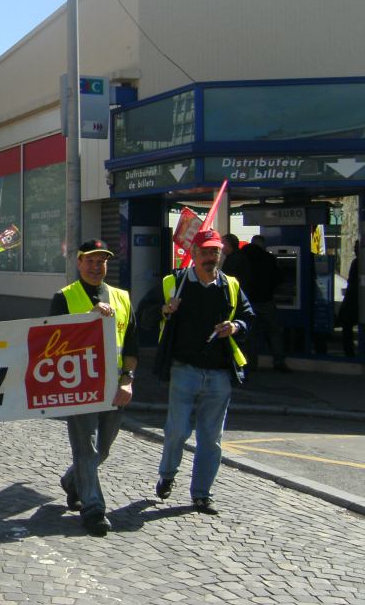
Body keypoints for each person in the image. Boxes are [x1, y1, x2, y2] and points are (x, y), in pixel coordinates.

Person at [138, 229, 254, 515]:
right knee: (177, 431)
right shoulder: (173, 283)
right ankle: (167, 474)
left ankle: (201, 494)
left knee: (211, 439)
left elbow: (249, 318)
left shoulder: (231, 285)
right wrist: (165, 309)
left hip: (218, 374)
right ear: (194, 254)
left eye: (215, 252)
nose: (210, 258)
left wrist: (235, 327)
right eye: (205, 252)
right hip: (183, 369)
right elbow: (144, 317)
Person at [48, 239, 137, 536]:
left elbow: (133, 346)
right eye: (91, 261)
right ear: (79, 262)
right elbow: (52, 345)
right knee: (86, 447)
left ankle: (72, 481)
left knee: (104, 449)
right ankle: (94, 508)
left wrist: (128, 380)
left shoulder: (122, 297)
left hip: (114, 385)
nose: (97, 267)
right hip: (80, 385)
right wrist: (88, 318)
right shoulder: (64, 297)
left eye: (102, 262)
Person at [243, 234, 289, 372]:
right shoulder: (268, 258)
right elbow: (278, 278)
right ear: (262, 245)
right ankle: (279, 361)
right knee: (274, 331)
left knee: (251, 334)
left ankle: (251, 364)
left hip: (248, 300)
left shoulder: (243, 256)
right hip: (266, 300)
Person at [338, 241, 359, 358]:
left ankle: (349, 352)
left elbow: (352, 283)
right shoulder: (356, 262)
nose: (355, 250)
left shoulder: (357, 263)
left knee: (347, 327)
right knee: (347, 327)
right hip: (353, 301)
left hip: (353, 301)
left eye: (356, 247)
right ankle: (350, 352)